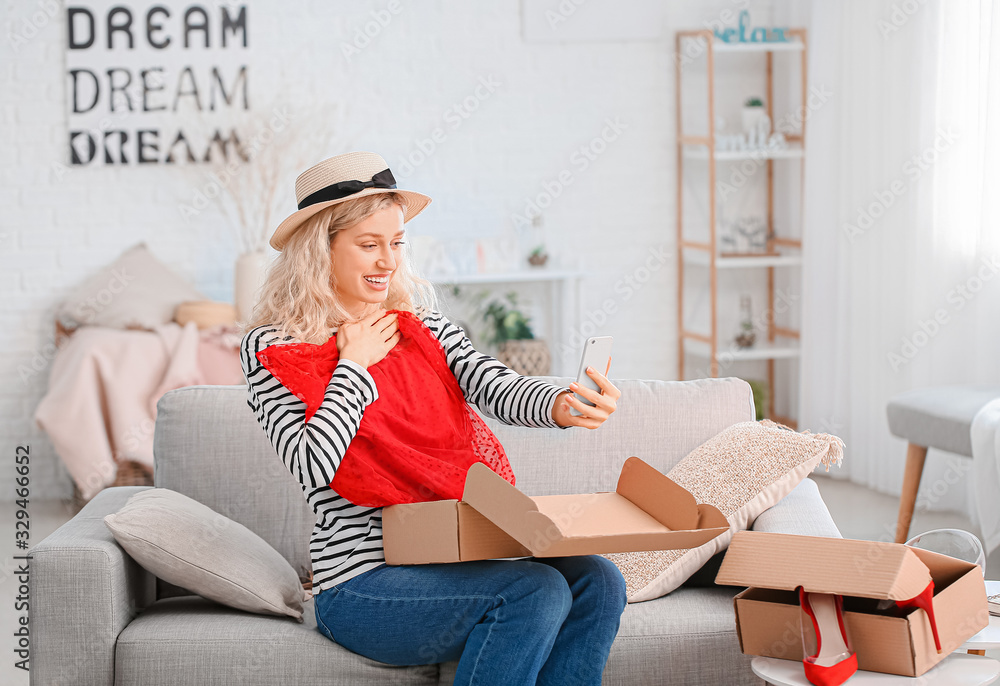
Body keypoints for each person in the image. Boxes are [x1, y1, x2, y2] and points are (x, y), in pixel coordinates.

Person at [239, 151, 626, 685]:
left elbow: (492, 384)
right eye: (368, 245)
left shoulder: (422, 324)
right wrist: (353, 365)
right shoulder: (272, 347)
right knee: (535, 591)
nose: (388, 261)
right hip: (360, 584)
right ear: (319, 251)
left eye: (396, 244)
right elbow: (313, 465)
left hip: (451, 554)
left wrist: (562, 403)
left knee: (598, 579)